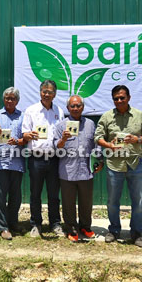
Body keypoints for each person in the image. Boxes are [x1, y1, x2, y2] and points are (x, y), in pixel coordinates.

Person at [94, 85, 142, 247]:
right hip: (114, 164)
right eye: (116, 98)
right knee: (113, 200)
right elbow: (97, 137)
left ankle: (136, 233)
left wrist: (137, 139)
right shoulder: (106, 117)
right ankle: (113, 230)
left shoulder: (139, 116)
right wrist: (108, 145)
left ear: (129, 98)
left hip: (135, 164)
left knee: (138, 201)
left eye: (122, 97)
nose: (119, 101)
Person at [53, 95, 103, 242]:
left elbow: (96, 145)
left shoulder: (90, 124)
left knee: (86, 203)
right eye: (72, 106)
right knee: (68, 203)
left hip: (86, 171)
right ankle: (71, 229)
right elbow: (56, 148)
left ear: (83, 107)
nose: (75, 108)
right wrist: (63, 139)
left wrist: (99, 160)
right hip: (67, 171)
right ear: (68, 108)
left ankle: (85, 227)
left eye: (78, 106)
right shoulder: (61, 126)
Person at [22, 80, 65, 237]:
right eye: (44, 91)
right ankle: (36, 224)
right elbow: (24, 134)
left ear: (55, 94)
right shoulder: (31, 110)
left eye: (50, 92)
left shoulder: (59, 111)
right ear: (40, 92)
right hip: (37, 159)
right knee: (35, 193)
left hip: (54, 158)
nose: (47, 94)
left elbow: (61, 133)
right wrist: (28, 135)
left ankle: (55, 223)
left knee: (54, 194)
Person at [0, 87, 26, 240]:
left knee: (16, 198)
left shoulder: (23, 116)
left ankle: (13, 223)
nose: (10, 101)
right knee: (1, 198)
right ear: (3, 99)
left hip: (17, 162)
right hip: (0, 163)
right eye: (7, 98)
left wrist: (18, 141)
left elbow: (26, 139)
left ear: (17, 100)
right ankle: (3, 227)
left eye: (13, 98)